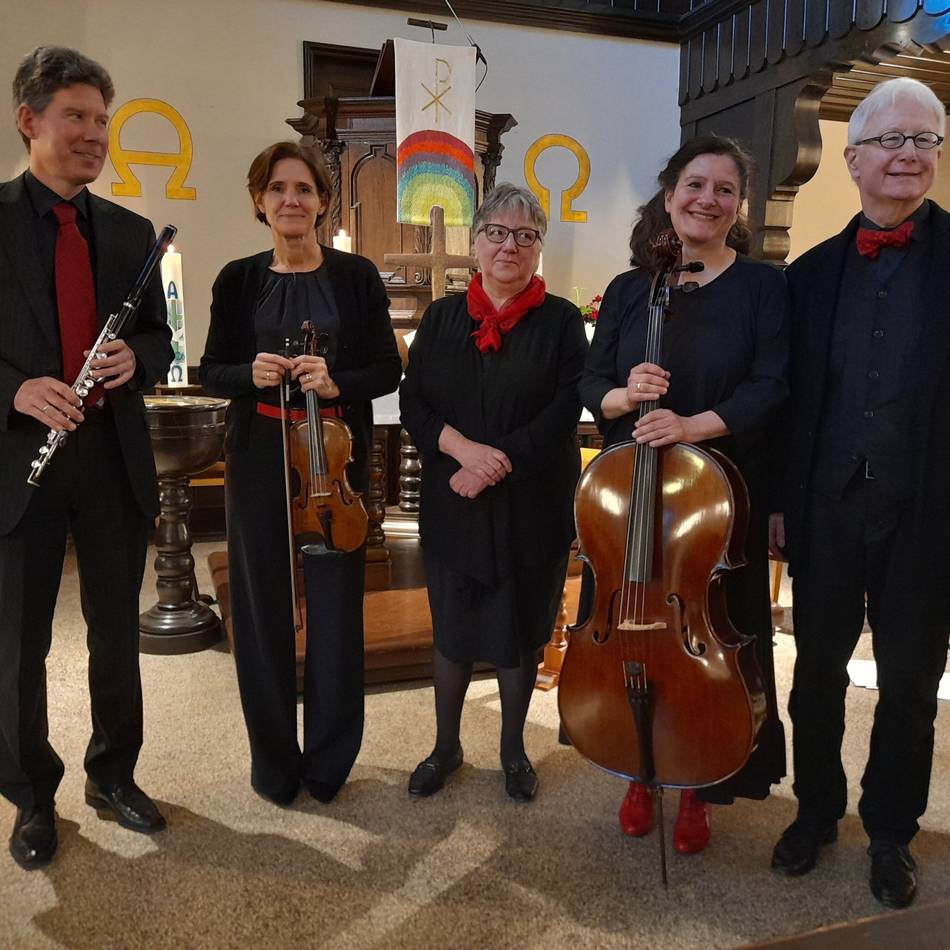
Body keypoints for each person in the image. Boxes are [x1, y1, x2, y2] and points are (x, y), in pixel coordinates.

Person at [769, 77, 950, 910]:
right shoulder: (806, 277)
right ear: (852, 159)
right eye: (891, 140)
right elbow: (786, 402)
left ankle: (890, 831)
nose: (909, 154)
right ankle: (815, 811)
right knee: (816, 674)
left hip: (928, 509)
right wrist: (779, 501)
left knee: (911, 681)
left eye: (925, 140)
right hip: (827, 503)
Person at [579, 135, 788, 854]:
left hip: (715, 503)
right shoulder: (631, 289)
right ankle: (637, 767)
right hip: (632, 499)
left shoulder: (763, 287)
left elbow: (772, 384)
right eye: (695, 185)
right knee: (628, 621)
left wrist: (692, 425)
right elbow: (590, 381)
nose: (708, 199)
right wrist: (621, 393)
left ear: (739, 206)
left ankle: (700, 779)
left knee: (712, 634)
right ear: (669, 198)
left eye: (725, 189)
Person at [0, 47, 173, 870]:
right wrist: (14, 390)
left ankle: (113, 775)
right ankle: (31, 796)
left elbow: (161, 340)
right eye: (76, 116)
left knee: (115, 634)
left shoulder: (131, 233)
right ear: (28, 120)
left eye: (102, 120)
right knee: (18, 644)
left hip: (109, 458)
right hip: (19, 464)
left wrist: (138, 357)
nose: (94, 134)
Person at [200, 142, 400, 806]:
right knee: (262, 608)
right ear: (259, 202)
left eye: (304, 189)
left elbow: (387, 369)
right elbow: (212, 370)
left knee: (338, 608)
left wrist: (337, 379)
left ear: (322, 201)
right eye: (278, 189)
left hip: (332, 458)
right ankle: (275, 763)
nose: (291, 199)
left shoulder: (356, 276)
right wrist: (248, 372)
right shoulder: (237, 279)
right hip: (260, 454)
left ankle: (329, 762)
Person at [399, 183, 586, 801]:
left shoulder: (561, 321)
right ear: (476, 242)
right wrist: (463, 452)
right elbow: (413, 400)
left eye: (526, 235)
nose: (511, 246)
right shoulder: (441, 318)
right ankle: (445, 747)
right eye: (498, 233)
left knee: (520, 631)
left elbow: (564, 409)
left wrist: (493, 465)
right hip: (454, 500)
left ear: (538, 247)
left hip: (529, 502)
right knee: (452, 630)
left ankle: (513, 751)